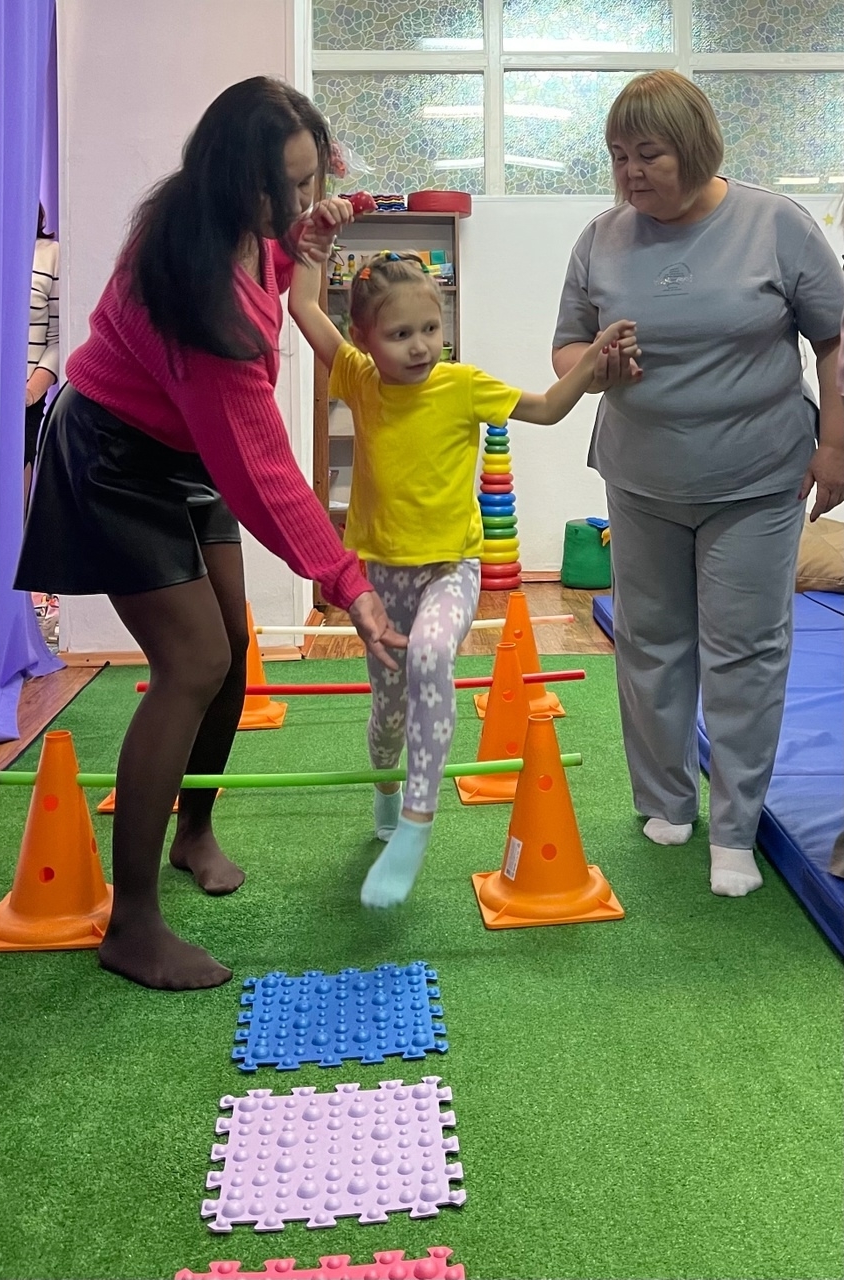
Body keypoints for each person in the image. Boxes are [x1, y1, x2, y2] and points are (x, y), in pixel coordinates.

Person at [15, 77, 405, 990]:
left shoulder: (234, 223)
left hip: (183, 444)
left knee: (229, 645)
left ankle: (193, 831)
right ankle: (132, 924)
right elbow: (262, 471)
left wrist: (304, 239)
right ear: (234, 183)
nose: (300, 204)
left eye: (310, 180)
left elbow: (271, 263)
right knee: (191, 663)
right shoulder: (199, 297)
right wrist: (347, 584)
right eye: (284, 190)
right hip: (115, 456)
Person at [551, 70, 844, 898]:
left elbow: (833, 338)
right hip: (641, 476)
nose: (630, 171)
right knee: (649, 641)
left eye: (648, 154)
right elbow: (566, 346)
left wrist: (834, 446)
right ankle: (665, 802)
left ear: (694, 148)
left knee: (745, 650)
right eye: (617, 155)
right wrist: (594, 365)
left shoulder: (774, 224)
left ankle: (734, 828)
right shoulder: (601, 237)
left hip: (755, 479)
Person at [289, 246, 638, 907]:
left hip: (452, 568)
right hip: (380, 578)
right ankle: (387, 789)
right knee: (387, 716)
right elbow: (303, 304)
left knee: (429, 657)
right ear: (363, 337)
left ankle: (417, 821)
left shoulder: (463, 385)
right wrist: (311, 238)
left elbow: (546, 408)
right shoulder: (358, 378)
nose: (421, 345)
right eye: (400, 334)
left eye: (430, 328)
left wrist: (591, 360)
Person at [24, 204, 60, 510]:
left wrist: (30, 393)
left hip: (24, 407)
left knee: (14, 514)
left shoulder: (51, 254)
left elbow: (58, 339)